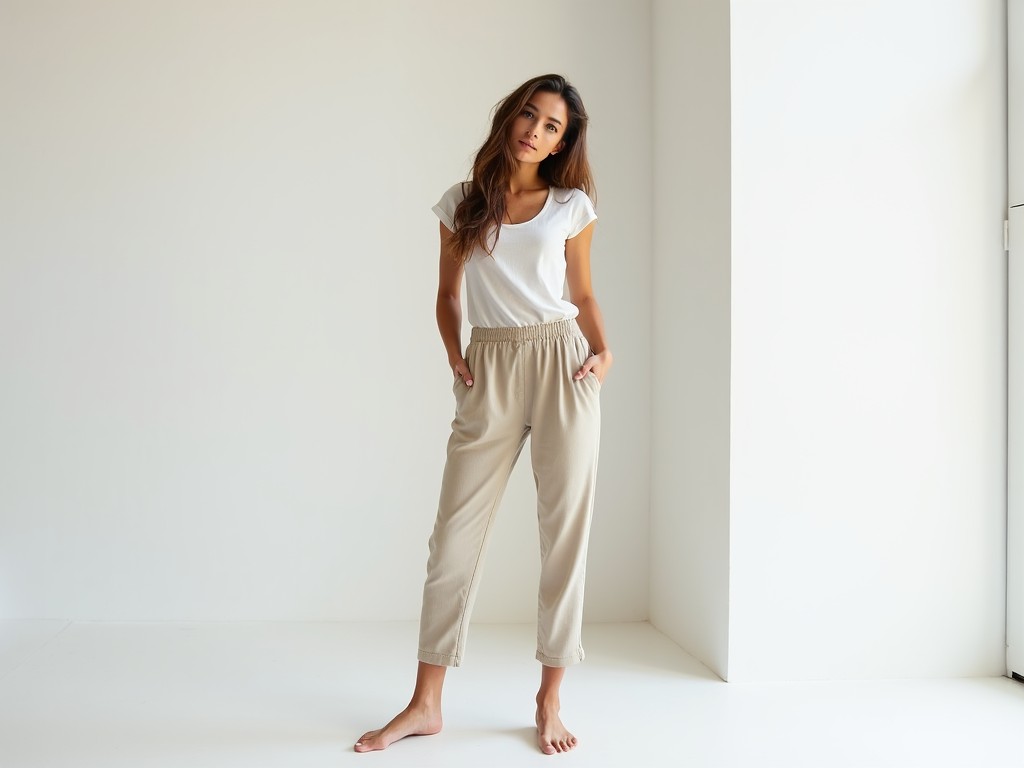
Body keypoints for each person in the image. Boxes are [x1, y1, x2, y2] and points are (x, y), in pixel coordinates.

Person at [355, 73, 612, 756]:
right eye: (530, 114)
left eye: (553, 126)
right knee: (452, 542)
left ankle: (550, 698)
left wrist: (604, 352)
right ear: (510, 116)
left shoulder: (569, 205)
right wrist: (454, 354)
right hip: (490, 366)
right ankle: (425, 703)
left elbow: (582, 295)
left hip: (563, 362)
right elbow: (446, 294)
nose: (536, 130)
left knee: (565, 535)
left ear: (563, 143)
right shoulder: (463, 204)